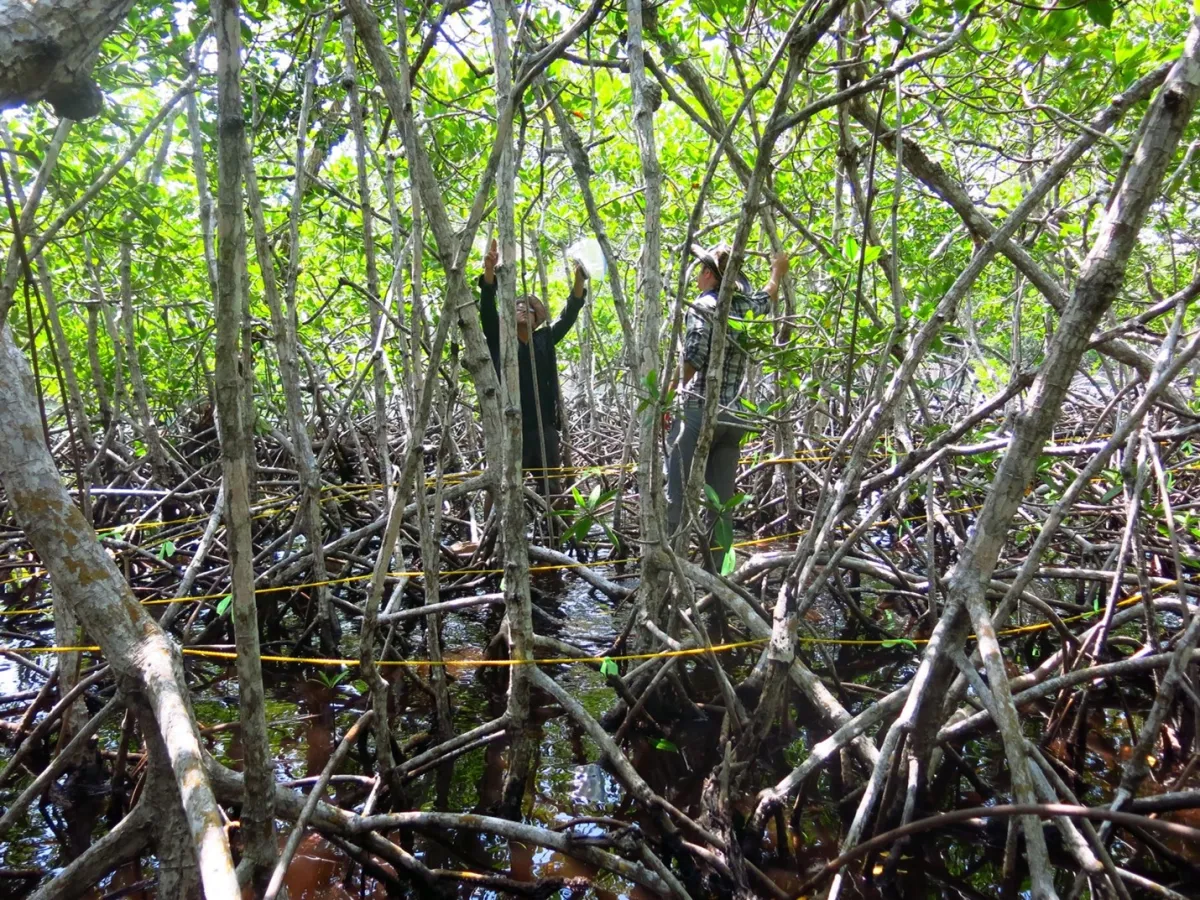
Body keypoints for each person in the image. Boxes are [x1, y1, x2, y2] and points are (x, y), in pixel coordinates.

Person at [666, 243, 789, 561]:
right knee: (720, 506)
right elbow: (769, 295)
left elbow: (694, 357)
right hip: (733, 417)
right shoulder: (747, 306)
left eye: (699, 272)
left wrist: (665, 398)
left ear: (708, 273)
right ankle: (717, 577)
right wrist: (778, 270)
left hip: (699, 411)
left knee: (676, 499)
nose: (696, 278)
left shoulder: (704, 304)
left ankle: (667, 571)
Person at [479, 238, 587, 498]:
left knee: (551, 486)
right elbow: (486, 309)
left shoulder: (544, 339)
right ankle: (492, 537)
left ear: (538, 321)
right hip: (509, 425)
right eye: (518, 306)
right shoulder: (499, 337)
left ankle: (558, 533)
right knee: (501, 489)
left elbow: (569, 314)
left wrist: (580, 279)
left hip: (543, 427)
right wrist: (490, 271)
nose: (524, 310)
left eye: (530, 309)